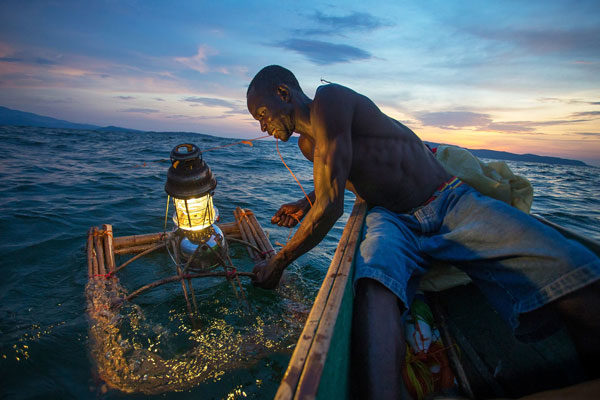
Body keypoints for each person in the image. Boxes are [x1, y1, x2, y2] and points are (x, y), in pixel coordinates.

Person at [246, 65, 600, 399]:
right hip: (393, 219)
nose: (262, 127)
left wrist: (278, 263)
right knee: (374, 285)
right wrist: (306, 200)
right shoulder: (309, 146)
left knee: (574, 268)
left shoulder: (330, 100)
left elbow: (331, 206)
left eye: (262, 114)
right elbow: (342, 177)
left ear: (283, 92)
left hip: (448, 201)